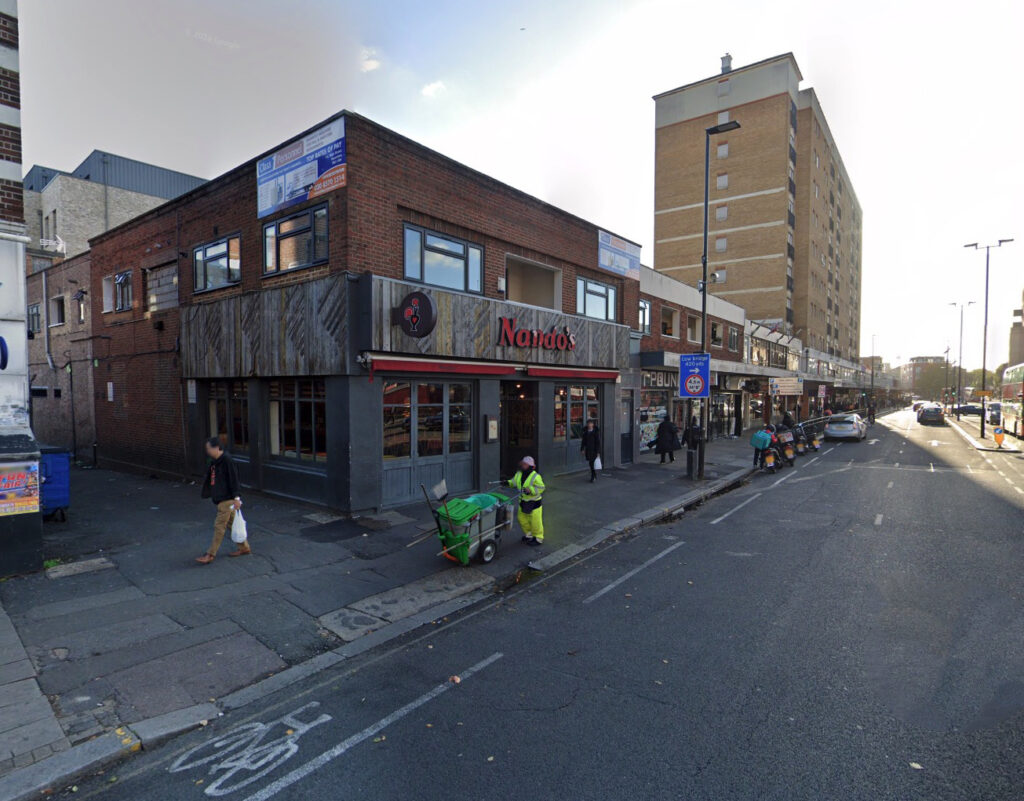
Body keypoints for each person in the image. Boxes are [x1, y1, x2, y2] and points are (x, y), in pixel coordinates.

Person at [196, 437, 246, 564]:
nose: (207, 451)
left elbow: (234, 480)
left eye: (209, 448)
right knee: (231, 524)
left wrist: (236, 498)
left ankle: (210, 554)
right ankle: (244, 548)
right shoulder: (215, 461)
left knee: (219, 526)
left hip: (226, 499)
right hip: (221, 498)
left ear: (217, 447)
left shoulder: (227, 461)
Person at [509, 456, 545, 547]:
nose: (523, 466)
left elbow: (541, 488)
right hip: (523, 501)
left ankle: (538, 538)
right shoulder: (519, 474)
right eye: (523, 464)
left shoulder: (536, 476)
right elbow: (513, 482)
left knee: (535, 522)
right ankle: (529, 535)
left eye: (525, 464)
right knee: (522, 519)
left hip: (534, 503)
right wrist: (507, 483)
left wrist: (531, 490)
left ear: (530, 466)